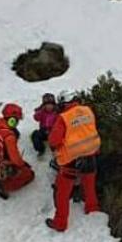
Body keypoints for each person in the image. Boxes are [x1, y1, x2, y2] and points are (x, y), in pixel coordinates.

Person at [45, 96, 101, 231]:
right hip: (90, 154)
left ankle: (60, 222)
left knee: (62, 192)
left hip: (72, 160)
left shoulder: (63, 117)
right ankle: (92, 209)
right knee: (89, 185)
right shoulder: (88, 110)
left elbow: (54, 140)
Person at [0, 103, 34, 199]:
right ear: (12, 121)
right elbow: (15, 159)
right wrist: (23, 165)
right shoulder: (9, 136)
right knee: (29, 175)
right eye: (17, 120)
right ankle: (3, 185)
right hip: (5, 164)